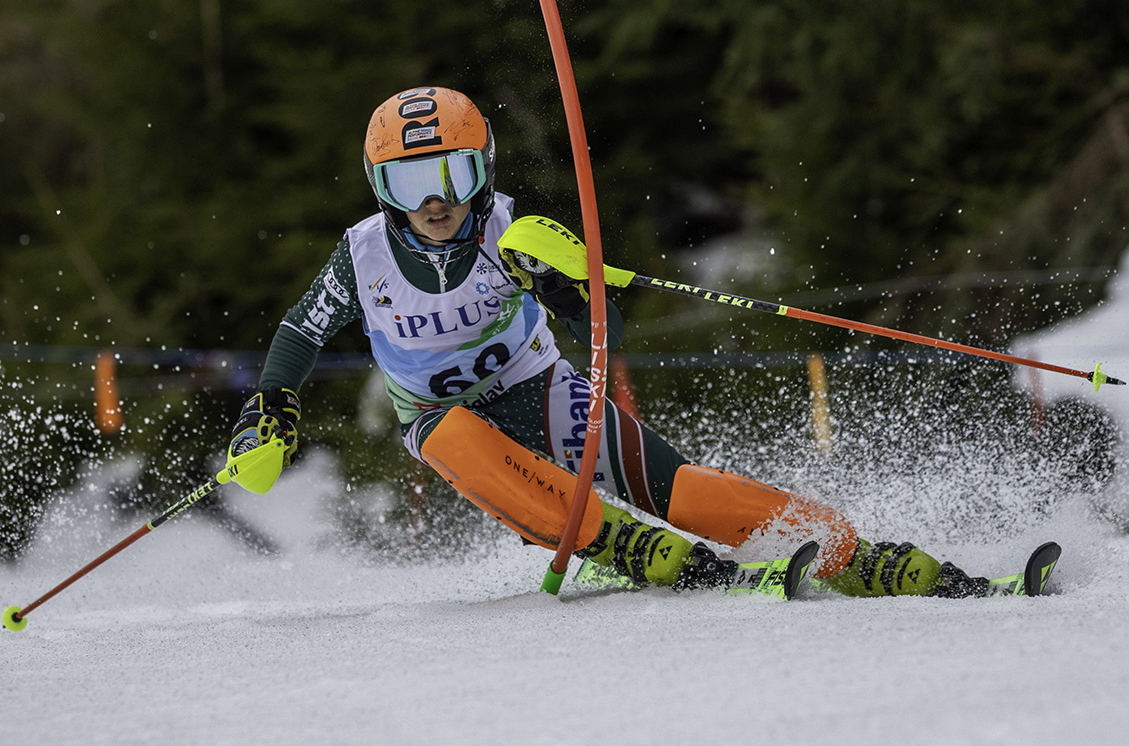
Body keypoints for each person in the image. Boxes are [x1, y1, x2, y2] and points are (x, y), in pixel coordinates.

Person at [228, 85, 991, 598]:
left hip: (540, 391)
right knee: (449, 435)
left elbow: (608, 334)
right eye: (409, 183)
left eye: (453, 176)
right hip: (443, 419)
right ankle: (619, 543)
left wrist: (570, 293)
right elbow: (301, 330)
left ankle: (853, 555)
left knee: (683, 491)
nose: (435, 202)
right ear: (379, 188)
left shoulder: (513, 231)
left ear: (482, 171)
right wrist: (272, 405)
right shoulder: (361, 255)